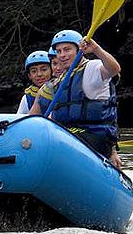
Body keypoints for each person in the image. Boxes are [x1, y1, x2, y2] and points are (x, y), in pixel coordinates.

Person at [39, 29, 122, 168]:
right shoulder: (59, 82)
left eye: (67, 50)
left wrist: (96, 49)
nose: (62, 55)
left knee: (61, 144)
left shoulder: (92, 68)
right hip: (68, 135)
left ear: (79, 50)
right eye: (59, 51)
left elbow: (114, 69)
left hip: (93, 135)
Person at [16, 50, 51, 115]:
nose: (39, 74)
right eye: (34, 71)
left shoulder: (60, 91)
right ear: (29, 76)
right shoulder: (27, 98)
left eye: (44, 69)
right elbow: (19, 119)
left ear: (51, 70)